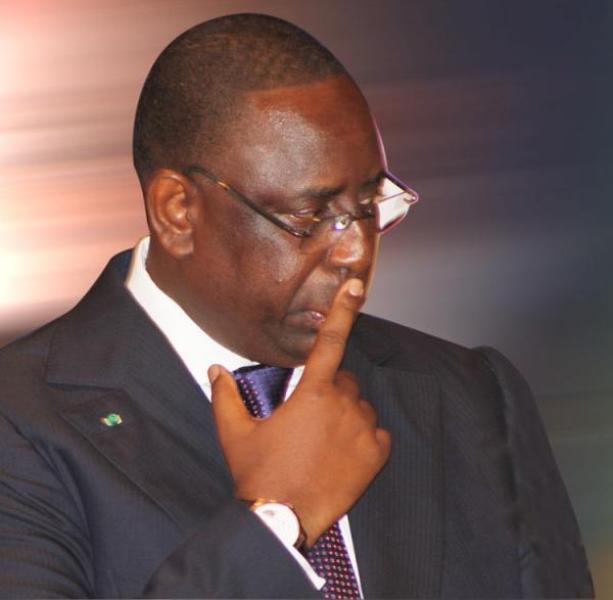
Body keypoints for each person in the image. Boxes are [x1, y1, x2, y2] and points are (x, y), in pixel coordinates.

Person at [0, 13, 593, 599]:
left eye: (369, 205)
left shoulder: (474, 397)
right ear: (178, 211)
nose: (357, 251)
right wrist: (278, 518)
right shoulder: (21, 422)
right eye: (312, 217)